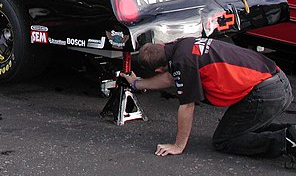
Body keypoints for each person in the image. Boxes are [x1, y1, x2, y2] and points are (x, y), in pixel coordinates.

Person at [122, 37, 295, 161]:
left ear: (158, 69)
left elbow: (187, 106)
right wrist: (137, 84)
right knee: (243, 129)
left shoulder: (184, 63)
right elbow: (171, 78)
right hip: (275, 80)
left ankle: (288, 142)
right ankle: (291, 133)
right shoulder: (182, 45)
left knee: (224, 140)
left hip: (268, 91)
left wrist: (178, 146)